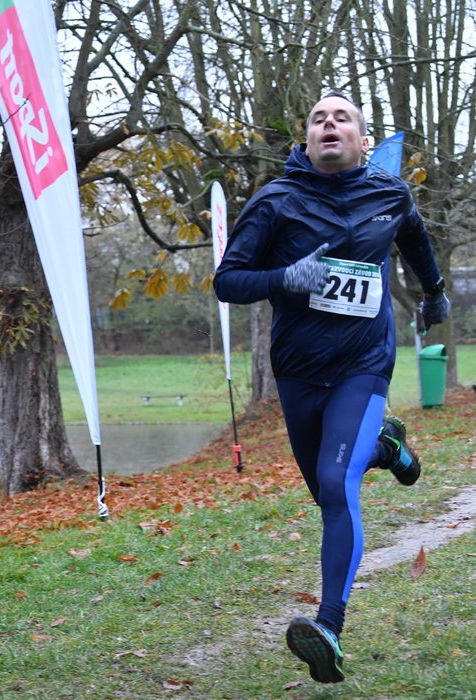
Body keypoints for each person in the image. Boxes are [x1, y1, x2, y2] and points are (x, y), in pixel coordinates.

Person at [214, 91, 450, 684]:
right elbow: (228, 281)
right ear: (308, 138)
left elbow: (415, 237)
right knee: (328, 492)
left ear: (363, 140)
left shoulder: (387, 192)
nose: (329, 124)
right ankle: (386, 450)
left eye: (342, 117)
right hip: (298, 368)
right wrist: (284, 277)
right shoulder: (275, 201)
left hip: (363, 364)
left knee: (336, 486)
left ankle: (329, 627)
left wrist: (434, 291)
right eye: (319, 118)